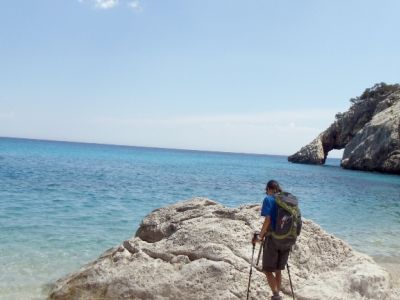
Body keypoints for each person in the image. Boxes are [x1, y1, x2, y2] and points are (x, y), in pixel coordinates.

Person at [256, 180, 289, 300]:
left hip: (273, 240)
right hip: (286, 239)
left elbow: (268, 220)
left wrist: (260, 236)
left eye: (266, 190)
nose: (266, 192)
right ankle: (278, 294)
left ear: (269, 189)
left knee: (267, 270)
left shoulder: (268, 199)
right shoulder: (285, 200)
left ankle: (276, 295)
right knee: (278, 269)